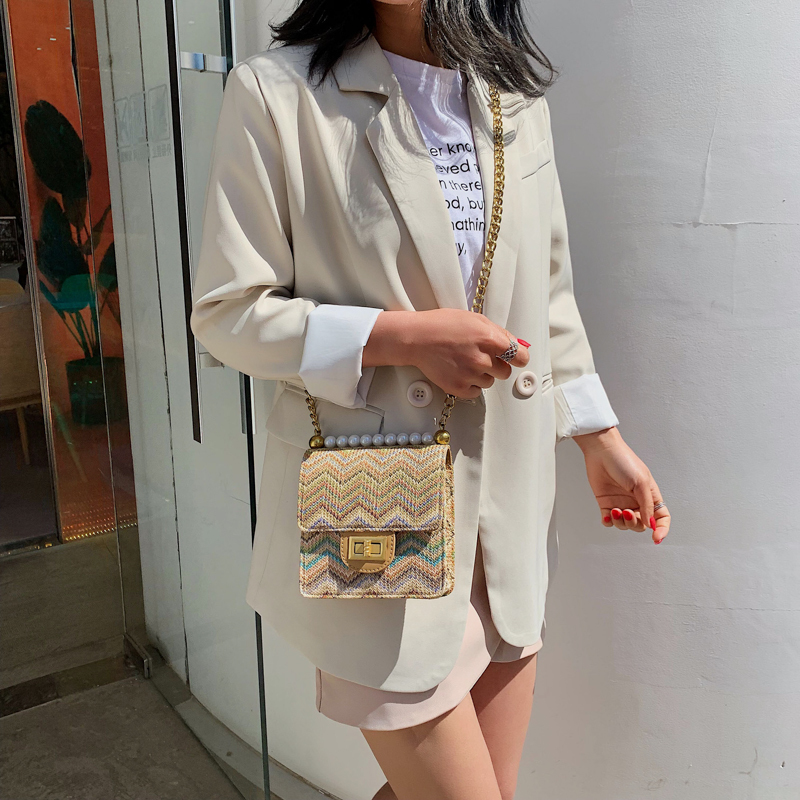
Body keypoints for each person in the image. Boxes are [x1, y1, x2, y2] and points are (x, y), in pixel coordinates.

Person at [190, 1, 671, 797]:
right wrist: (401, 338)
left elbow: (550, 297)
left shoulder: (513, 100)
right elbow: (228, 314)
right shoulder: (277, 94)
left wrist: (599, 437)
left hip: (507, 516)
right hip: (377, 513)